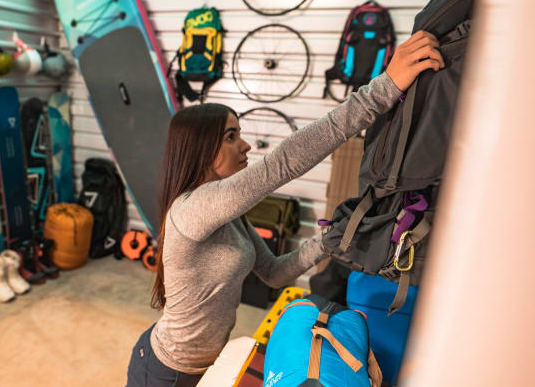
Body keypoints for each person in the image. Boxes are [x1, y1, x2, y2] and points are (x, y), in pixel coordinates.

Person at [125, 30, 445, 387]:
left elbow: (275, 274)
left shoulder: (229, 216)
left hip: (209, 363)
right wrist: (382, 89)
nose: (245, 145)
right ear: (200, 150)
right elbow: (283, 163)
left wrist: (328, 240)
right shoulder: (192, 209)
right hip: (168, 369)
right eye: (231, 137)